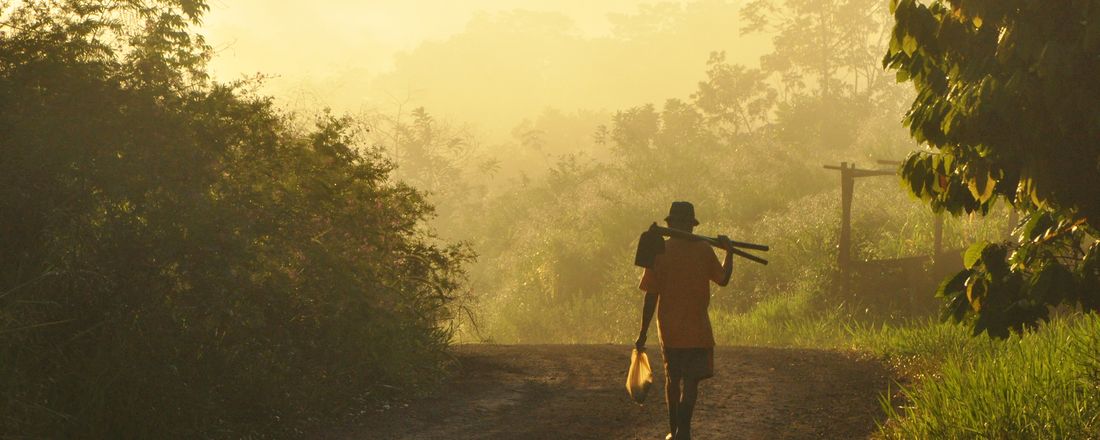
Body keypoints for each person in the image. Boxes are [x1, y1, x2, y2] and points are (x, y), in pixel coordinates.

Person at [635, 201, 734, 440]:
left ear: (671, 224)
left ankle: (676, 430)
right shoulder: (703, 249)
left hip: (670, 330)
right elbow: (723, 279)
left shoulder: (660, 251)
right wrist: (729, 252)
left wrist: (643, 333)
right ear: (691, 226)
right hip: (697, 330)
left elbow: (651, 296)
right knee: (691, 384)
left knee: (673, 380)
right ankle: (684, 431)